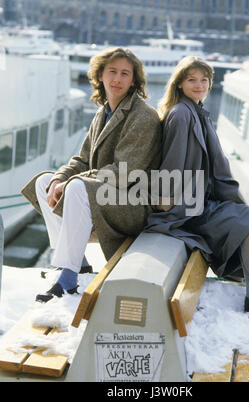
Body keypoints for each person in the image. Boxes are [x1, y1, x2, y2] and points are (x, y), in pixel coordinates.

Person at [145, 56, 249, 338]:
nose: (199, 85)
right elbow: (173, 162)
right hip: (186, 209)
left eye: (204, 80)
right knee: (247, 224)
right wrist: (165, 200)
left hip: (201, 202)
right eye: (192, 79)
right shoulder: (182, 114)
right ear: (179, 83)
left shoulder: (196, 111)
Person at [22, 47, 162, 303]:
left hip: (134, 204)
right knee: (45, 182)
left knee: (76, 187)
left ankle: (68, 277)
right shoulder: (103, 112)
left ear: (134, 80)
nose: (117, 79)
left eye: (124, 74)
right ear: (100, 76)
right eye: (112, 72)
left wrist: (73, 182)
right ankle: (77, 261)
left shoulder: (143, 116)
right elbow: (82, 159)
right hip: (107, 195)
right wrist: (58, 179)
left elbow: (126, 171)